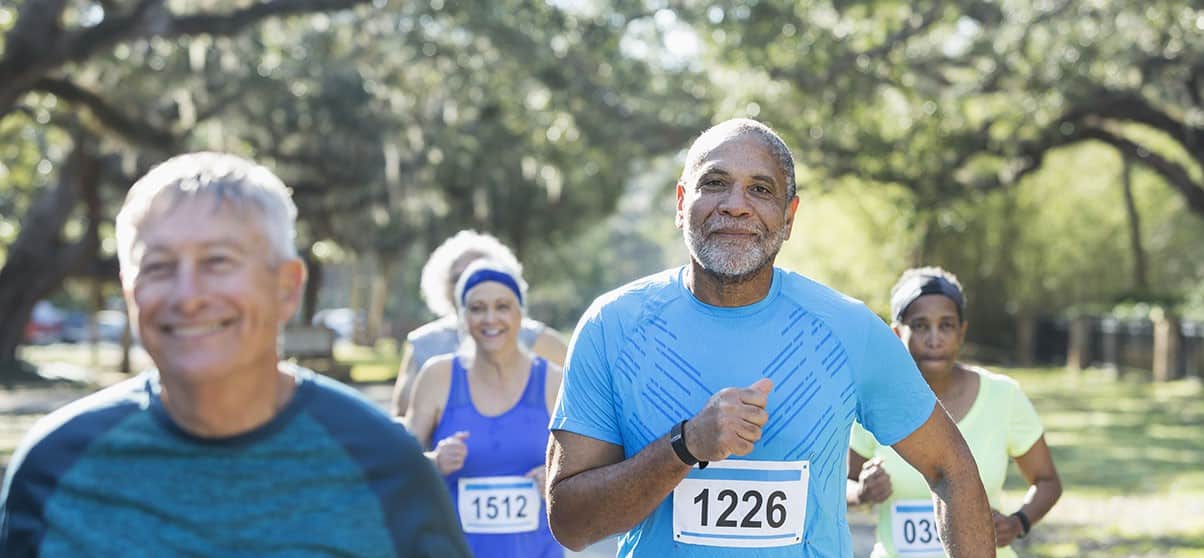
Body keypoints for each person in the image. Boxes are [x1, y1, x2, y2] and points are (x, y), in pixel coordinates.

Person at [546, 118, 996, 556]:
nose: (736, 205)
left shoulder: (849, 330)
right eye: (715, 183)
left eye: (760, 190)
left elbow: (952, 469)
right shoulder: (613, 327)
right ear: (681, 203)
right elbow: (569, 522)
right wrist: (684, 446)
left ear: (788, 216)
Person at [0, 152, 470, 557]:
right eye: (159, 267)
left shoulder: (383, 465)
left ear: (287, 287)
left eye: (218, 262)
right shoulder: (54, 466)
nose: (188, 295)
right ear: (129, 292)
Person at [847, 267, 1062, 557]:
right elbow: (836, 485)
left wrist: (1018, 522)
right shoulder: (876, 398)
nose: (934, 338)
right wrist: (861, 492)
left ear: (961, 331)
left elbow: (1047, 481)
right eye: (921, 326)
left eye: (946, 325)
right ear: (897, 333)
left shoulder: (1003, 396)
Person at [406, 259, 564, 557]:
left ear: (521, 312)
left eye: (502, 306)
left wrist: (557, 477)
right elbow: (401, 464)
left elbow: (588, 468)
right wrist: (435, 461)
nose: (490, 318)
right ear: (462, 317)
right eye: (477, 308)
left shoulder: (554, 382)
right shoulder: (437, 377)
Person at [391, 230, 567, 417]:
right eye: (458, 277)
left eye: (479, 271)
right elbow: (402, 420)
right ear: (443, 283)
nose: (469, 283)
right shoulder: (423, 344)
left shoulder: (540, 340)